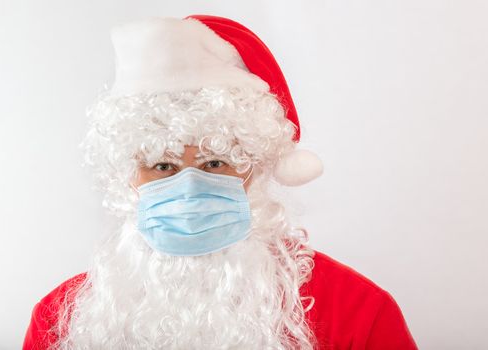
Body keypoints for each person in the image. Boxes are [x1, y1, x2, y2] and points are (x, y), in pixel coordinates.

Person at [23, 14, 418, 349]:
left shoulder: (358, 312)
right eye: (162, 165)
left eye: (216, 162)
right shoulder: (61, 321)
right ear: (127, 176)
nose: (189, 187)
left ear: (259, 166)